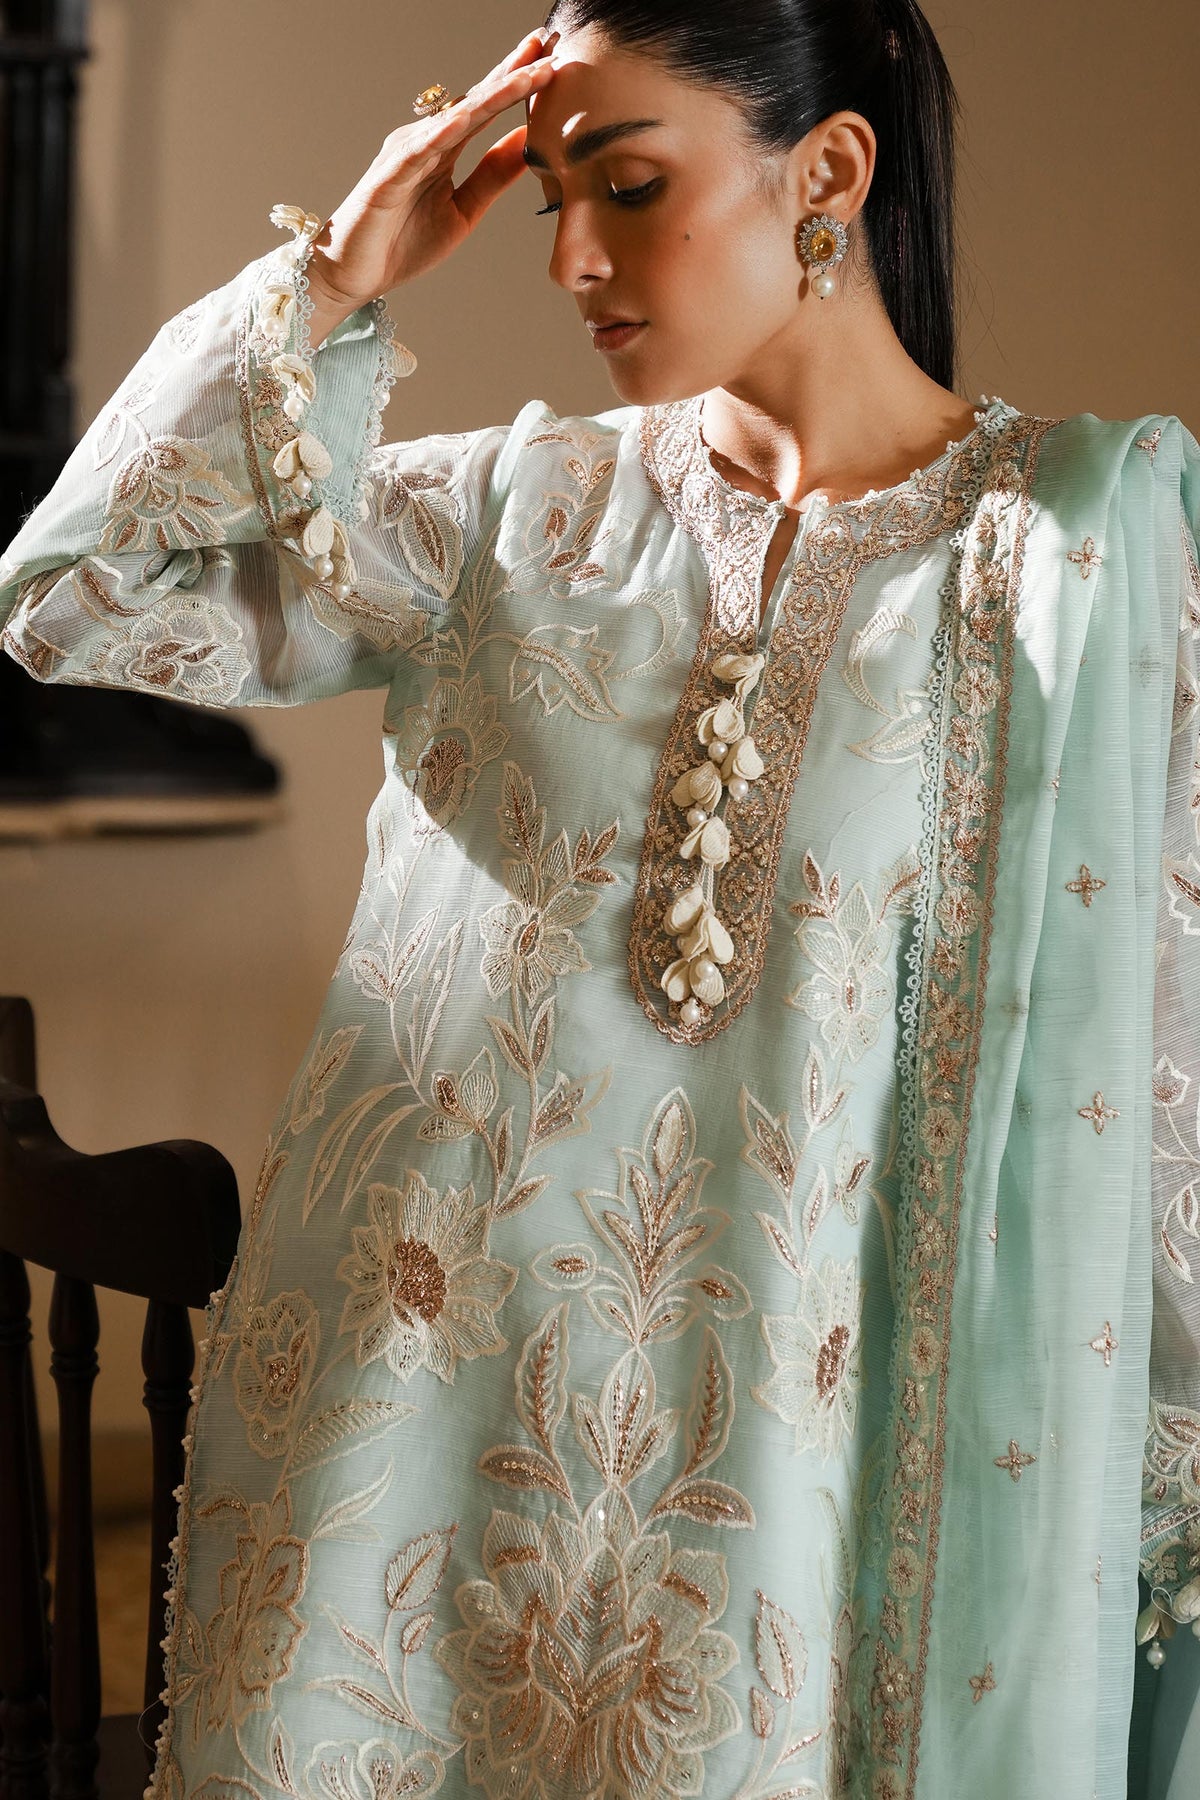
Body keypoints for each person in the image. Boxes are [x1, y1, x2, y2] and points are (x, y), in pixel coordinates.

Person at [1, 2, 1197, 1794]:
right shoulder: (510, 518)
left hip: (792, 1540)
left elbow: (1162, 1096)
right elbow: (74, 595)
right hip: (402, 1487)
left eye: (627, 188)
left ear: (830, 172)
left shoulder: (1067, 566)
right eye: (552, 194)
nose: (570, 257)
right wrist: (336, 271)